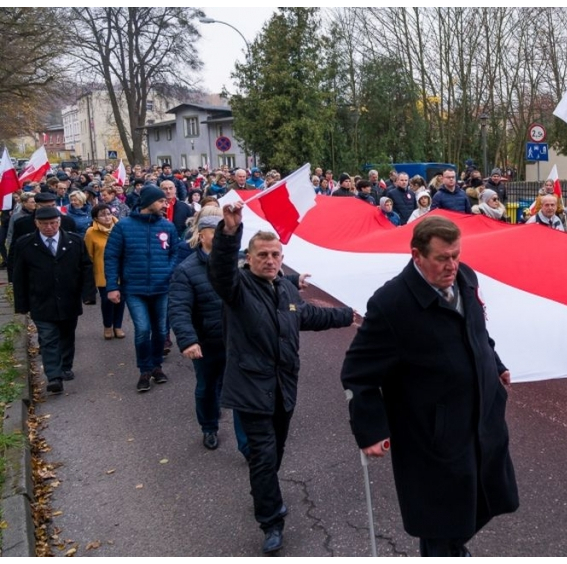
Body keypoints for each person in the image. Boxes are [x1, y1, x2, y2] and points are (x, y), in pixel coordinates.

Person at [341, 216, 517, 556]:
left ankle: (453, 546)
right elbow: (357, 372)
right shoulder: (391, 303)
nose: (452, 265)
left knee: (486, 497)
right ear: (417, 255)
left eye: (456, 255)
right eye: (442, 258)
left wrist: (495, 364)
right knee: (440, 515)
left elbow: (477, 331)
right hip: (433, 431)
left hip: (481, 415)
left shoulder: (466, 277)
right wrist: (370, 429)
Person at [210, 203, 356, 555]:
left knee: (274, 454)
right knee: (262, 456)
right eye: (263, 254)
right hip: (250, 388)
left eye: (276, 255)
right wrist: (229, 233)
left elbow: (304, 316)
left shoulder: (285, 289)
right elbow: (220, 271)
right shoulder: (238, 287)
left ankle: (264, 491)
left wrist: (346, 315)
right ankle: (271, 521)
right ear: (250, 257)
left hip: (283, 388)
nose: (270, 260)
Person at [169, 212, 250, 456]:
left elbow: (263, 283)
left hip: (236, 340)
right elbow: (179, 308)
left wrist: (292, 280)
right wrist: (188, 340)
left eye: (223, 231)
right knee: (207, 387)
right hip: (207, 342)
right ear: (201, 235)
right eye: (215, 231)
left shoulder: (239, 262)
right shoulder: (186, 270)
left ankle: (247, 446)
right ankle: (208, 427)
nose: (219, 236)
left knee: (240, 391)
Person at [104, 185, 180, 393]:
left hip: (161, 287)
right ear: (148, 202)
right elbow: (111, 257)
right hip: (134, 288)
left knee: (161, 330)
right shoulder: (123, 226)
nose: (165, 204)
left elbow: (175, 252)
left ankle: (157, 366)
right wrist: (112, 286)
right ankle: (145, 370)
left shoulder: (167, 226)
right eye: (161, 201)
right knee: (143, 329)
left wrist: (167, 270)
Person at [12, 206, 96, 393]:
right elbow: (19, 276)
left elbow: (85, 268)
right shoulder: (25, 244)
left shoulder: (74, 241)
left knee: (67, 334)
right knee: (48, 337)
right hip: (41, 299)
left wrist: (88, 294)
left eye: (52, 223)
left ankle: (65, 366)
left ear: (59, 222)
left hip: (68, 298)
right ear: (36, 224)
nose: (49, 227)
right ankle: (54, 375)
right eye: (44, 224)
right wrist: (21, 304)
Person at [84, 204, 126, 340]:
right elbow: (89, 253)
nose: (107, 217)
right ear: (96, 218)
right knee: (107, 300)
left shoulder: (120, 228)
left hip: (122, 270)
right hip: (103, 272)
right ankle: (108, 326)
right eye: (102, 215)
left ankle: (118, 326)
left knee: (121, 300)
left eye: (108, 213)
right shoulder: (91, 232)